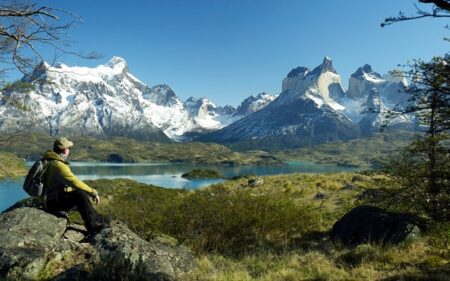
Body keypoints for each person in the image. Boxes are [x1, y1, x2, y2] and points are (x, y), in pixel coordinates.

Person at [43, 137, 108, 234]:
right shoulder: (59, 165)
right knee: (80, 194)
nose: (69, 150)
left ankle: (97, 220)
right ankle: (93, 226)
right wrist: (93, 192)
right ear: (65, 150)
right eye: (69, 148)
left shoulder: (49, 160)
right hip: (52, 203)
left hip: (48, 200)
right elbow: (75, 182)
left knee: (81, 199)